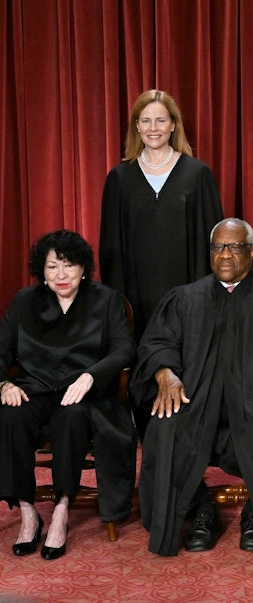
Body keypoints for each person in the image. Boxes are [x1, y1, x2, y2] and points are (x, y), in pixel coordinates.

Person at [130, 218, 253, 560]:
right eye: (218, 247)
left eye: (235, 247)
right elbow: (157, 343)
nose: (225, 255)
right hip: (195, 400)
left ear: (251, 252)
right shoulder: (184, 299)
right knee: (164, 428)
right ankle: (201, 509)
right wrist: (165, 372)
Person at [0, 230, 136, 560]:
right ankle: (28, 511)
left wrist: (92, 375)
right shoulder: (24, 301)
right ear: (41, 271)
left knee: (72, 417)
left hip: (84, 392)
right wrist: (5, 384)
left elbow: (124, 350)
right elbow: (1, 352)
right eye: (52, 267)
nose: (61, 275)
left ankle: (61, 509)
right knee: (10, 416)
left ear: (84, 269)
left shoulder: (105, 300)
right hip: (35, 388)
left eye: (69, 265)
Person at [100, 89, 224, 341]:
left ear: (173, 125)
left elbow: (214, 243)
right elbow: (111, 248)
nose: (153, 128)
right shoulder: (120, 178)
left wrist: (206, 297)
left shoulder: (197, 175)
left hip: (189, 296)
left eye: (161, 120)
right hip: (137, 296)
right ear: (136, 126)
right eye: (145, 120)